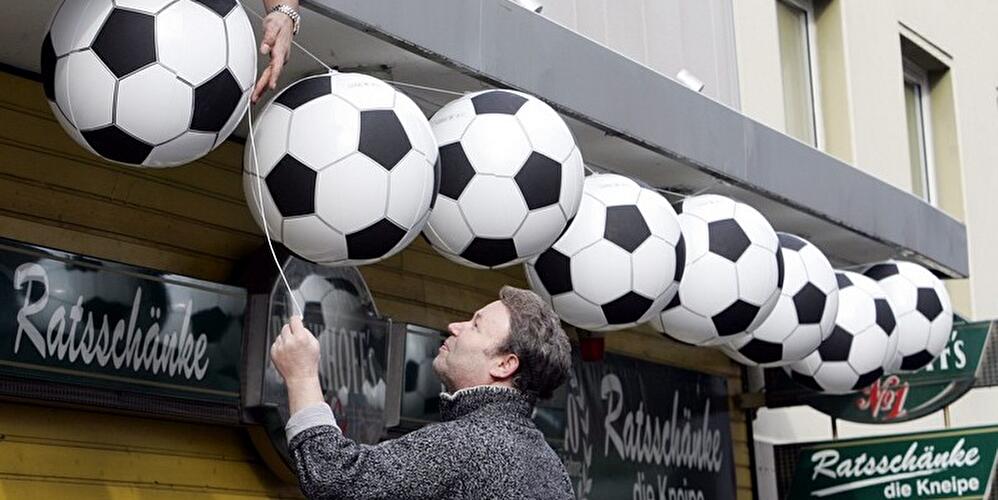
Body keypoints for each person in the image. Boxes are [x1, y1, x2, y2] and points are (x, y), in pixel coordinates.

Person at [271, 285, 575, 499]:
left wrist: (302, 376)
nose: (455, 326)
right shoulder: (552, 468)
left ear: (504, 364)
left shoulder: (467, 444)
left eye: (475, 325)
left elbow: (334, 477)